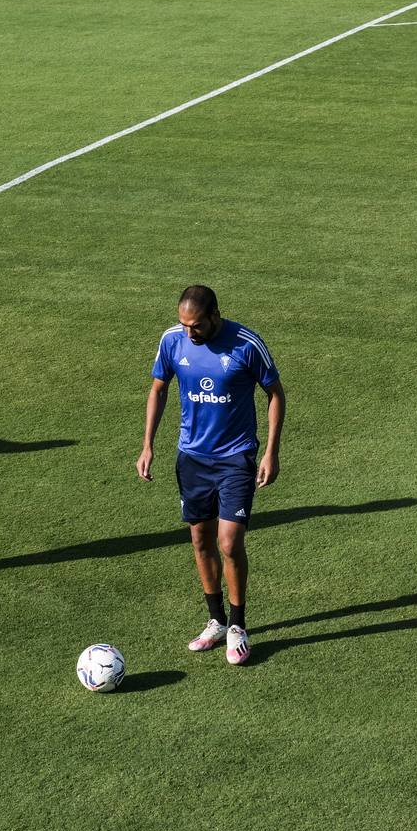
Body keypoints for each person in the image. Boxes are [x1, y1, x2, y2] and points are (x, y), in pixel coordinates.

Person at [137, 285, 285, 665]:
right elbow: (158, 389)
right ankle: (215, 621)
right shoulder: (172, 341)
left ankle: (238, 626)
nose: (190, 332)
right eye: (185, 324)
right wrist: (148, 445)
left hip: (236, 457)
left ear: (215, 315)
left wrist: (271, 451)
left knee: (229, 541)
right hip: (192, 458)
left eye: (197, 325)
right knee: (200, 540)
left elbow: (275, 394)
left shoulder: (246, 344)